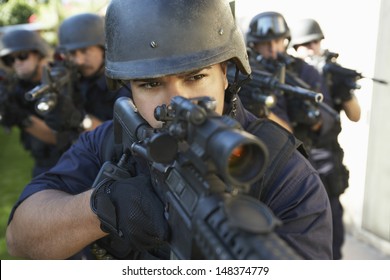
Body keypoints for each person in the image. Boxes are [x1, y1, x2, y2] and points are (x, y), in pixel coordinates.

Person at [5, 0, 332, 260]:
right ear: (128, 88)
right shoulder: (111, 142)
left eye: (195, 77)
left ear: (226, 73)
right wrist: (104, 207)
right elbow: (20, 239)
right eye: (150, 83)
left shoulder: (280, 169)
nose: (176, 101)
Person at [289, 18, 361, 260]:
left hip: (328, 163)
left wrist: (341, 90)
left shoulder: (330, 73)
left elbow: (355, 115)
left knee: (333, 237)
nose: (312, 48)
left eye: (315, 43)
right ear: (295, 49)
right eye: (306, 44)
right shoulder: (288, 75)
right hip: (296, 163)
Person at [243, 11, 337, 152]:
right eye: (265, 43)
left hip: (298, 154)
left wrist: (314, 120)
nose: (273, 49)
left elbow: (330, 120)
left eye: (277, 41)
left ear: (285, 41)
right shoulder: (246, 73)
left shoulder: (305, 71)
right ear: (254, 45)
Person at [43, 12, 130, 149]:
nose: (79, 61)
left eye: (85, 51)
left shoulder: (124, 84)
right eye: (72, 54)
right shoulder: (76, 79)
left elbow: (122, 139)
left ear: (104, 48)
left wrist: (81, 120)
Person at [0, 29, 63, 177]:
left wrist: (20, 117)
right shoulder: (19, 87)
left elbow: (57, 137)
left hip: (69, 160)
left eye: (22, 56)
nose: (17, 63)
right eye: (10, 59)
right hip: (42, 162)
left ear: (38, 53)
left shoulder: (60, 82)